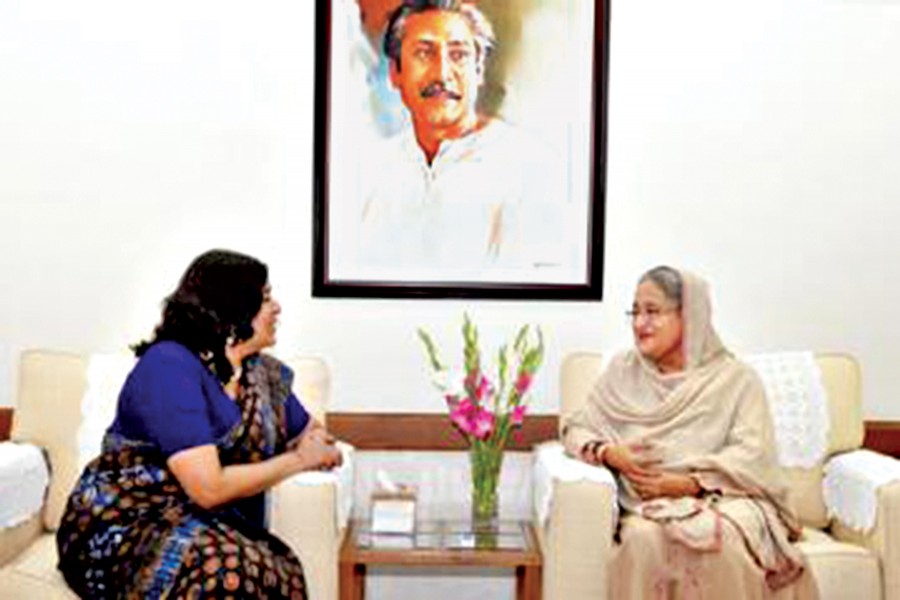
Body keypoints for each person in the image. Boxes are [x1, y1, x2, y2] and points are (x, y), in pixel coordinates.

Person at [56, 249, 342, 599]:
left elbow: (313, 435)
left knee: (262, 567)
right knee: (227, 567)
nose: (277, 307)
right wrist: (298, 459)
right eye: (266, 297)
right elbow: (207, 488)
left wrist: (315, 448)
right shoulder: (169, 366)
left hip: (216, 527)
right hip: (131, 525)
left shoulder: (260, 374)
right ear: (234, 305)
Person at [562, 266, 817, 599]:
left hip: (724, 499)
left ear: (690, 316)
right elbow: (576, 427)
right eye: (635, 312)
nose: (640, 324)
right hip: (647, 507)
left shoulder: (736, 379)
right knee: (641, 540)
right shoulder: (623, 372)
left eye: (653, 311)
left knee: (718, 538)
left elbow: (751, 455)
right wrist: (611, 454)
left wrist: (691, 483)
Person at [354, 0, 567, 276]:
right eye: (423, 53)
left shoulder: (531, 167)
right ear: (396, 73)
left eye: (458, 55)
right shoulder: (369, 170)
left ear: (478, 71)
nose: (442, 74)